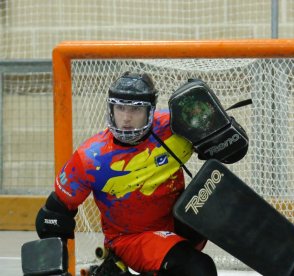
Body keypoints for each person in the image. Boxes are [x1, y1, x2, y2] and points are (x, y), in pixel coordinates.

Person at [35, 72, 218, 276]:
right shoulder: (90, 157)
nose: (126, 118)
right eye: (120, 108)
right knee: (198, 269)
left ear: (150, 110)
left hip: (177, 222)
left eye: (135, 109)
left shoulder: (174, 127)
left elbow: (227, 141)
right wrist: (50, 270)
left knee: (215, 194)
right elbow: (52, 216)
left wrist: (221, 132)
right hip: (129, 237)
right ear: (111, 108)